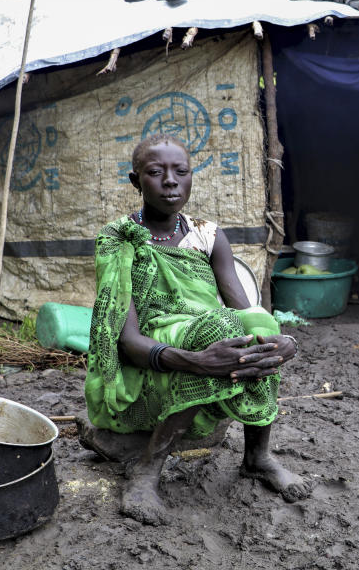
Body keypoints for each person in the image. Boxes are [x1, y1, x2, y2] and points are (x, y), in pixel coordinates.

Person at [83, 133, 309, 525]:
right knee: (220, 329)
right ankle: (147, 468)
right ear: (136, 181)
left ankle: (257, 456)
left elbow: (246, 310)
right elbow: (126, 340)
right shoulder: (118, 239)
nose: (170, 181)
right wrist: (196, 362)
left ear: (191, 178)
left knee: (258, 326)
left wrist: (281, 341)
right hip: (152, 354)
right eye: (155, 173)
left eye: (180, 172)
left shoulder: (208, 234)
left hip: (210, 338)